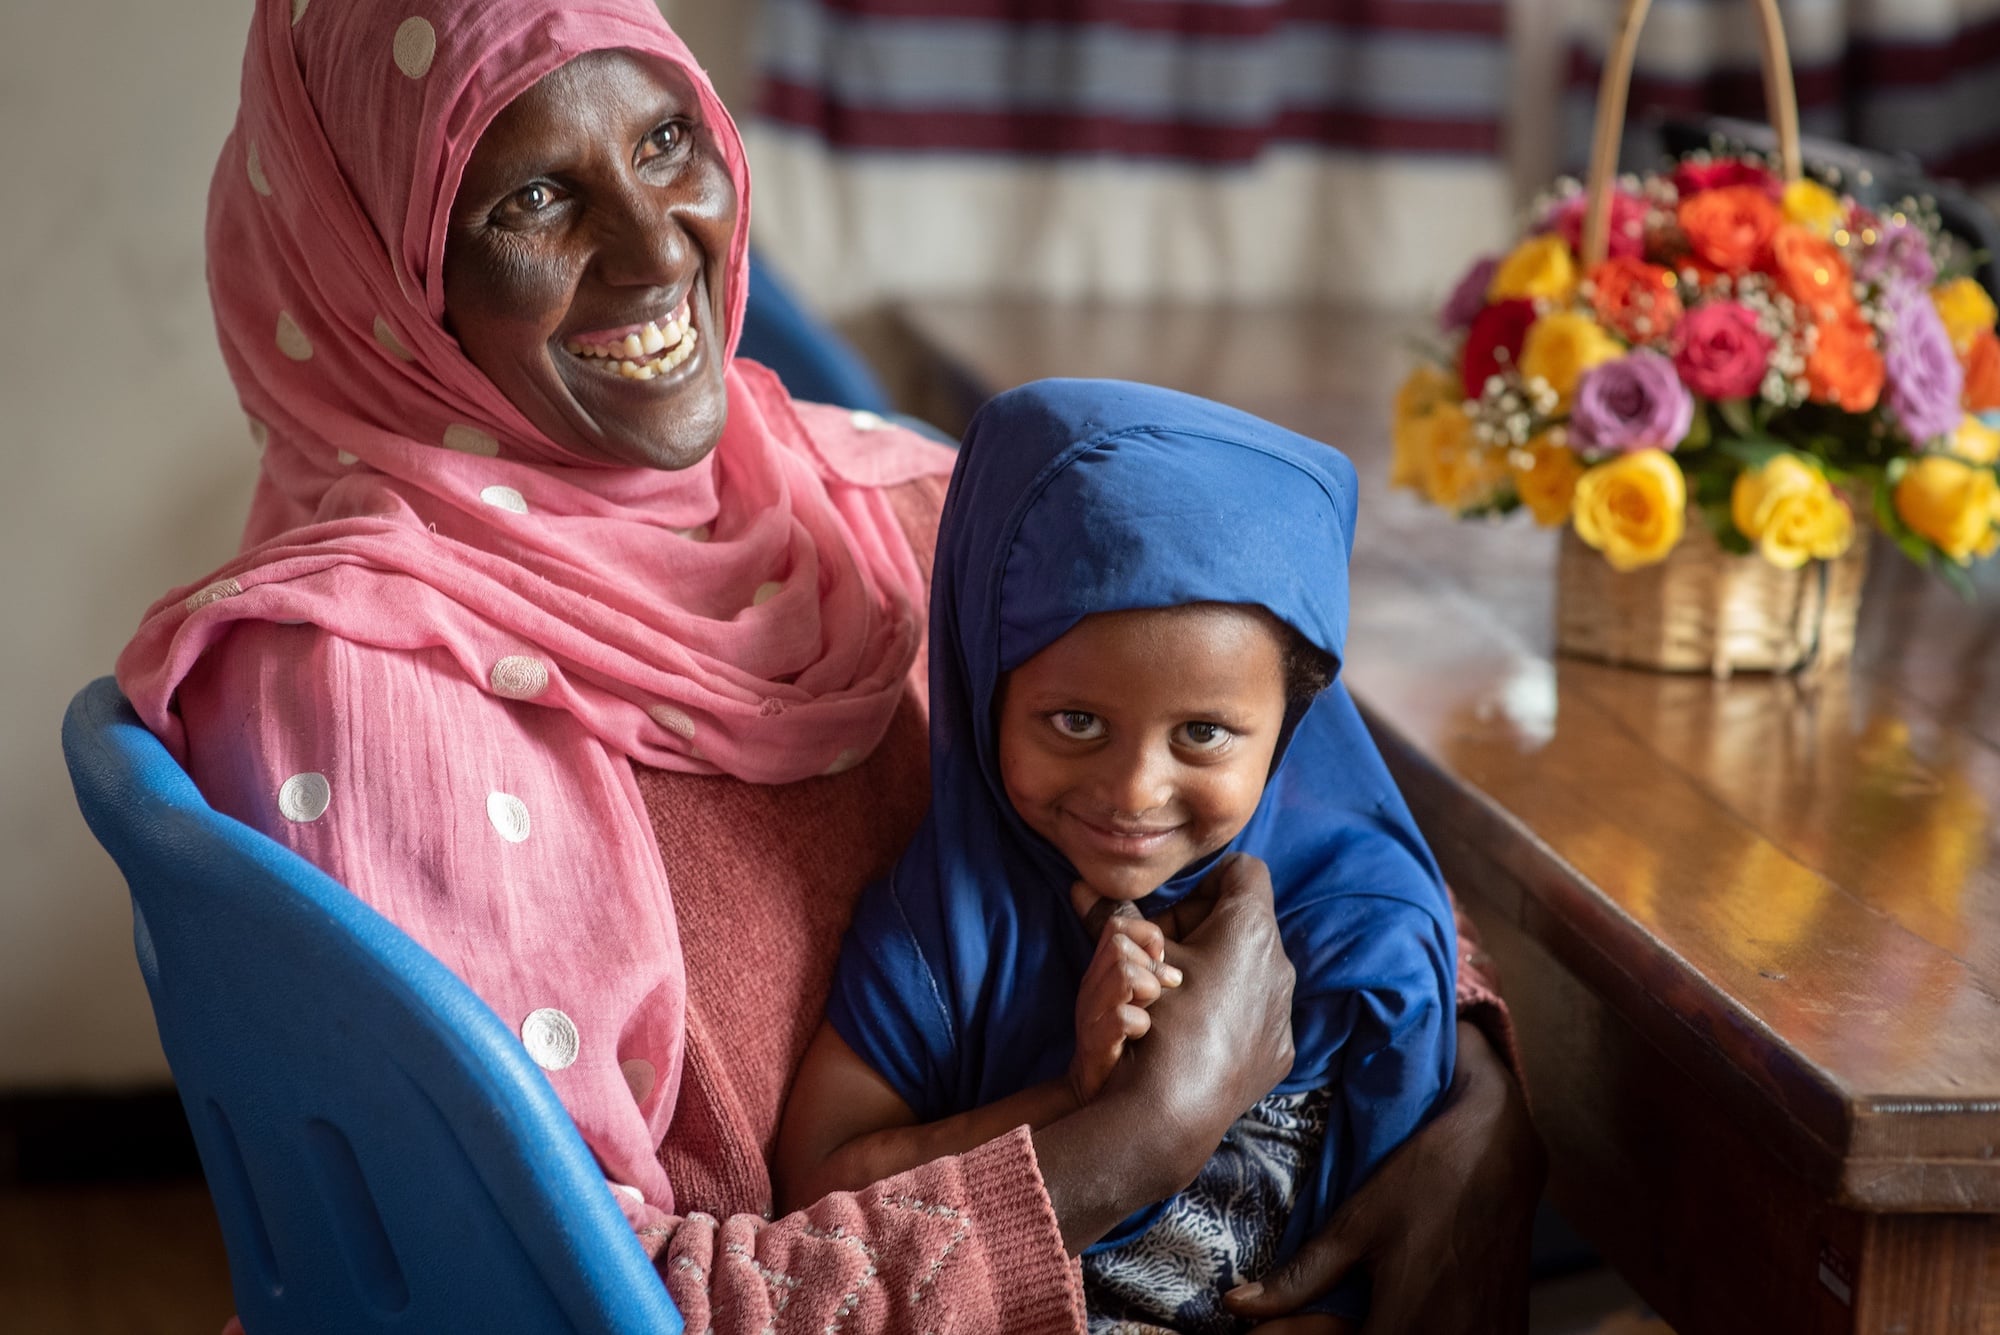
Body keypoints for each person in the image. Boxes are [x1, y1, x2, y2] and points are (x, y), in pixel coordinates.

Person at [115, 1, 1541, 1330]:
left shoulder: (884, 499)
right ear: (377, 267)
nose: (653, 248)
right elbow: (573, 1295)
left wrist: (1467, 1086)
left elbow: (1305, 789)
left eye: (666, 139)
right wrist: (1125, 1140)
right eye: (532, 199)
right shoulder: (372, 692)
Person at [776, 380, 1457, 1335]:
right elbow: (816, 1186)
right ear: (986, 685)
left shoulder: (1367, 937)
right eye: (1077, 721)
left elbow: (1395, 1262)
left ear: (1291, 723)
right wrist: (1077, 1103)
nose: (1135, 790)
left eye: (1206, 734)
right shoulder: (948, 917)